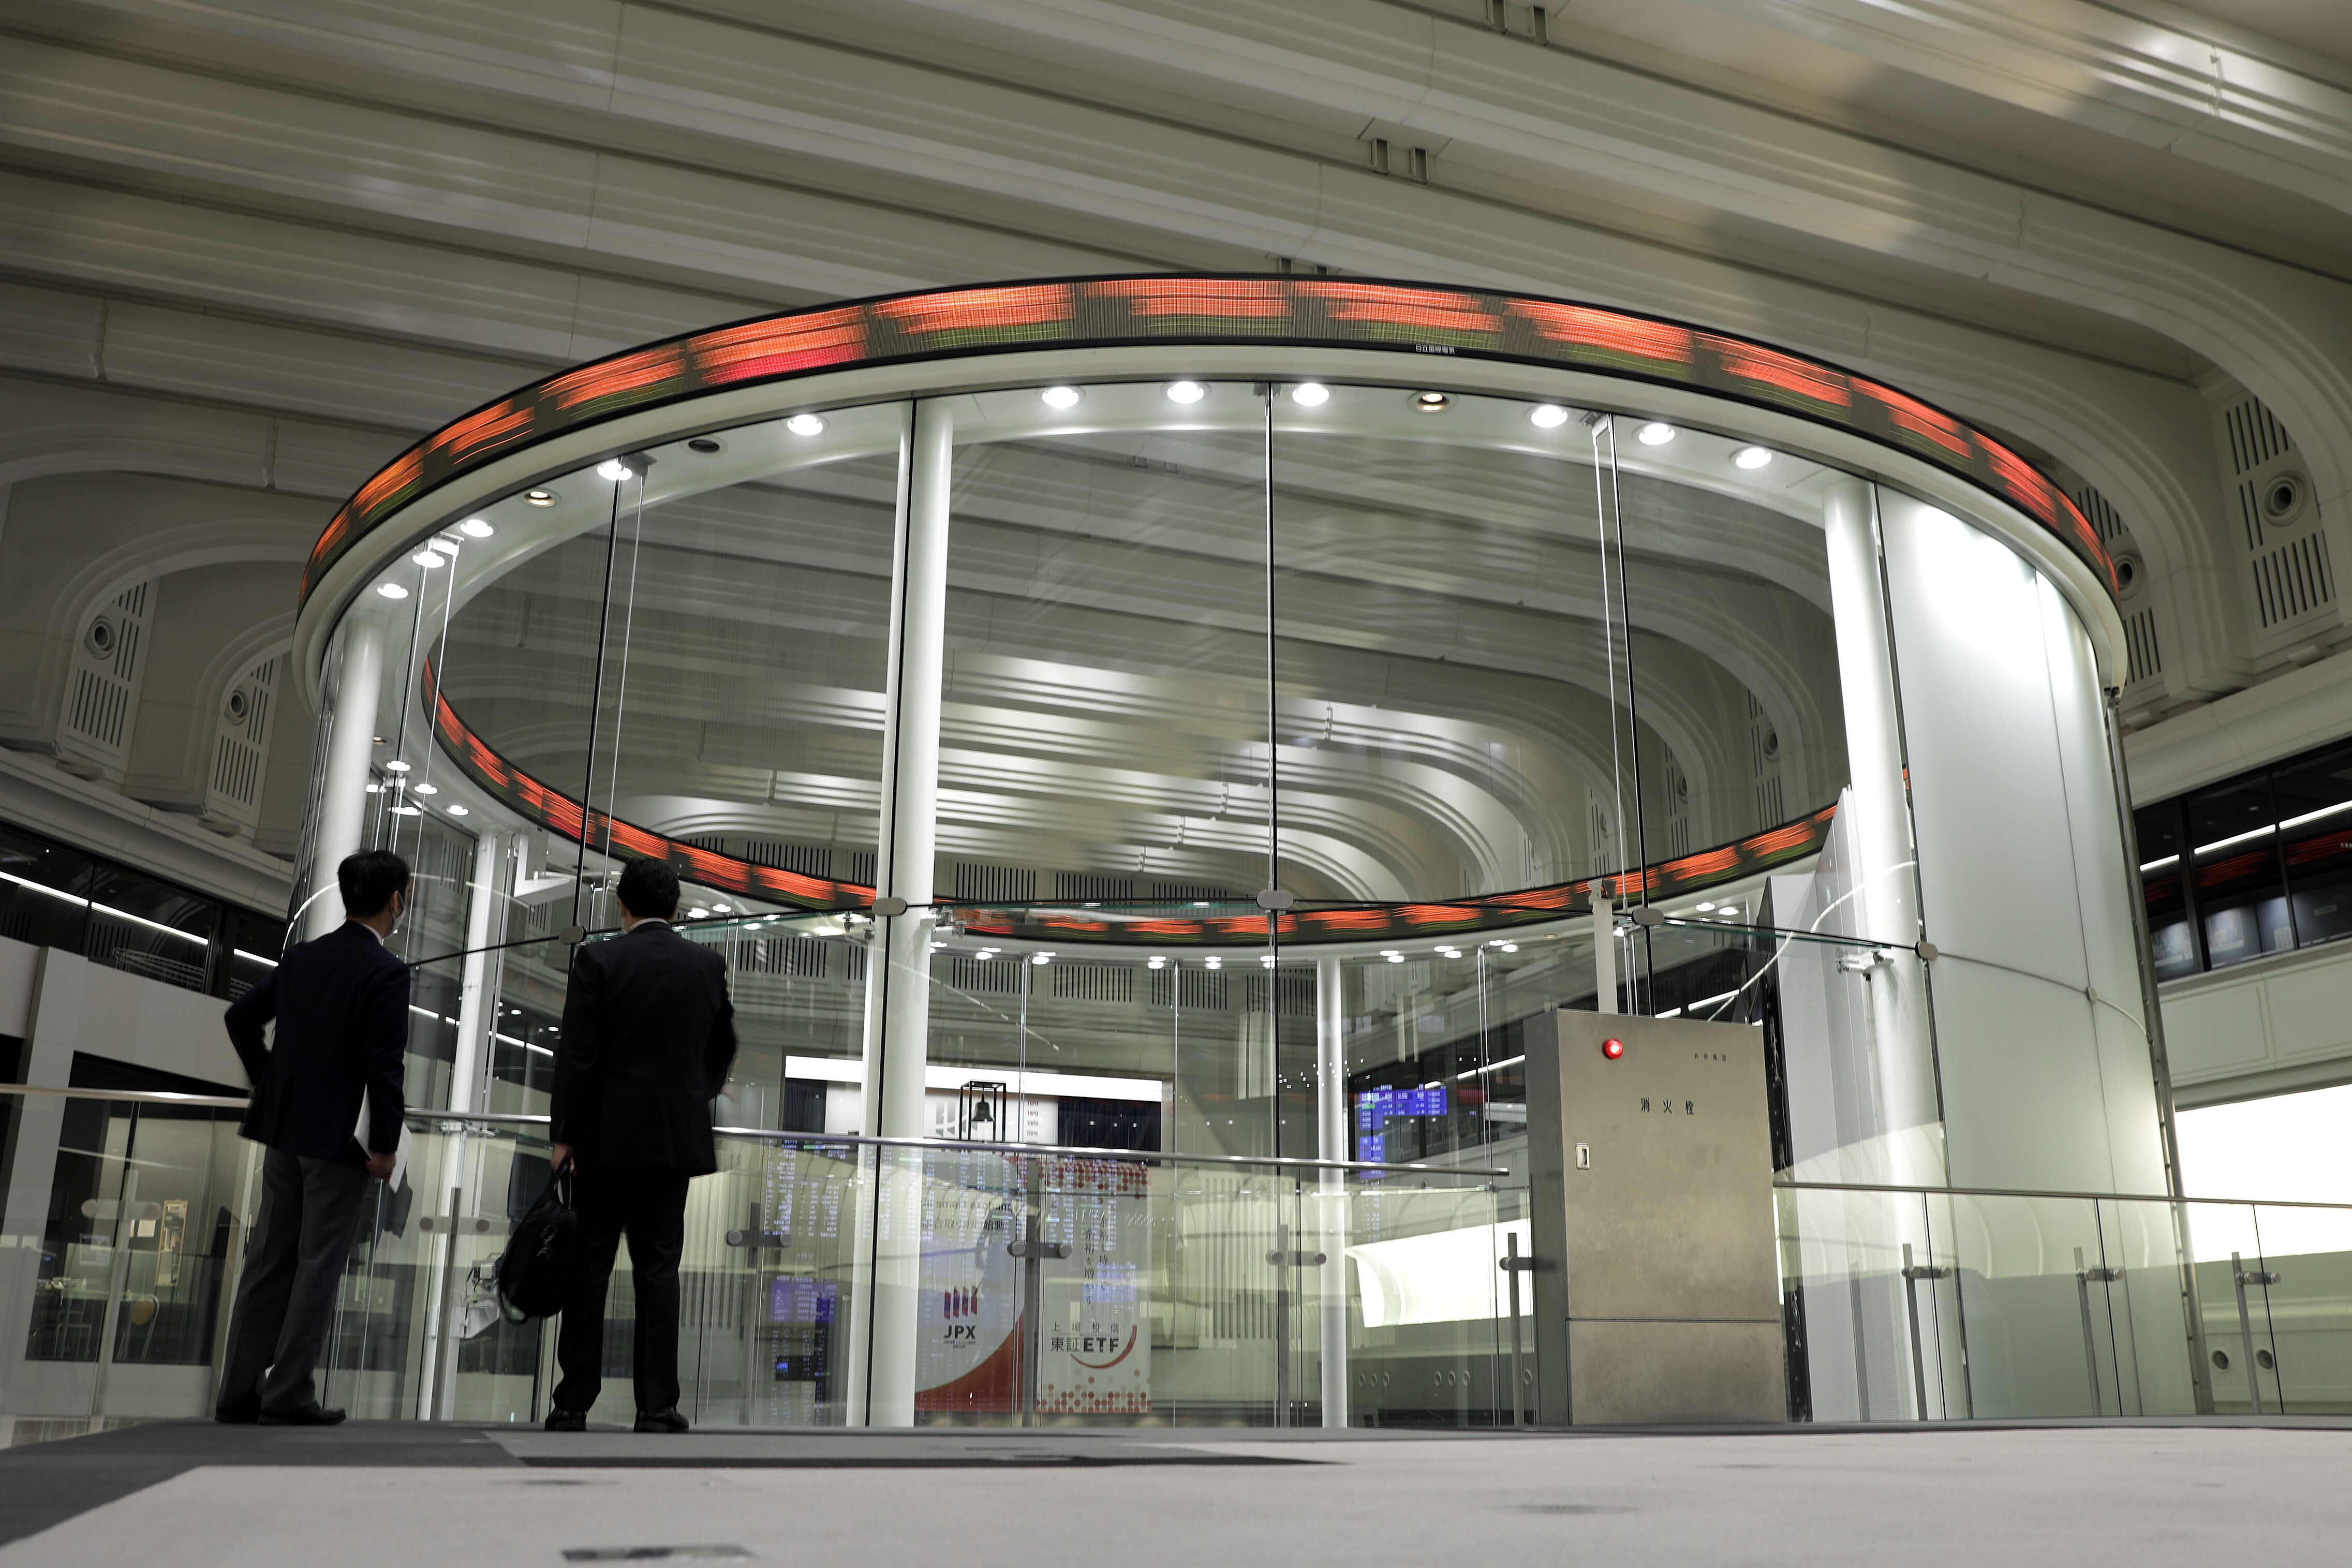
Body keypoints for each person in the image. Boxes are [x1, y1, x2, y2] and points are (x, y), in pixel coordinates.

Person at [215, 848, 410, 1426]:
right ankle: (289, 1393)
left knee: (268, 1259)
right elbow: (385, 1066)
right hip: (341, 1144)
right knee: (318, 1264)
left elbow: (239, 1018)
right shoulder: (385, 971)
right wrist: (385, 1144)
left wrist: (270, 1082)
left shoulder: (303, 957)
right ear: (396, 901)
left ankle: (238, 1392)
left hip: (286, 1130)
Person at [544, 857, 737, 1432]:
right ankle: (656, 1405)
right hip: (672, 1141)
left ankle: (573, 1402)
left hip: (603, 1141)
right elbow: (722, 1046)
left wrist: (565, 1136)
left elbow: (578, 1055)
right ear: (675, 908)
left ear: (621, 905)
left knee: (590, 1266)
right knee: (659, 1269)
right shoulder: (707, 965)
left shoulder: (598, 959)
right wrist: (691, 1093)